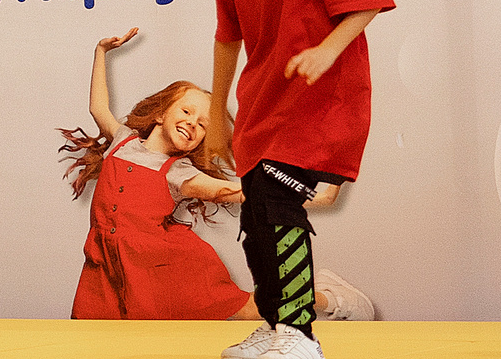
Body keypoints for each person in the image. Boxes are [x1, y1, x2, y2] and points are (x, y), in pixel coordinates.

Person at [206, 0, 393, 359]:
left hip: (318, 98)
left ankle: (299, 334)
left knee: (278, 203)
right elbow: (228, 36)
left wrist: (327, 51)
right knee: (256, 211)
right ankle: (273, 323)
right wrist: (217, 113)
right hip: (263, 97)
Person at [62, 30, 377, 326]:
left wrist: (320, 194)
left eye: (203, 125)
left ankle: (330, 298)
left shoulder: (178, 173)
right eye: (186, 112)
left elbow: (241, 192)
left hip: (161, 268)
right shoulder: (122, 140)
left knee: (251, 310)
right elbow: (98, 107)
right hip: (105, 267)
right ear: (160, 114)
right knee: (99, 338)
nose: (193, 124)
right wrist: (101, 51)